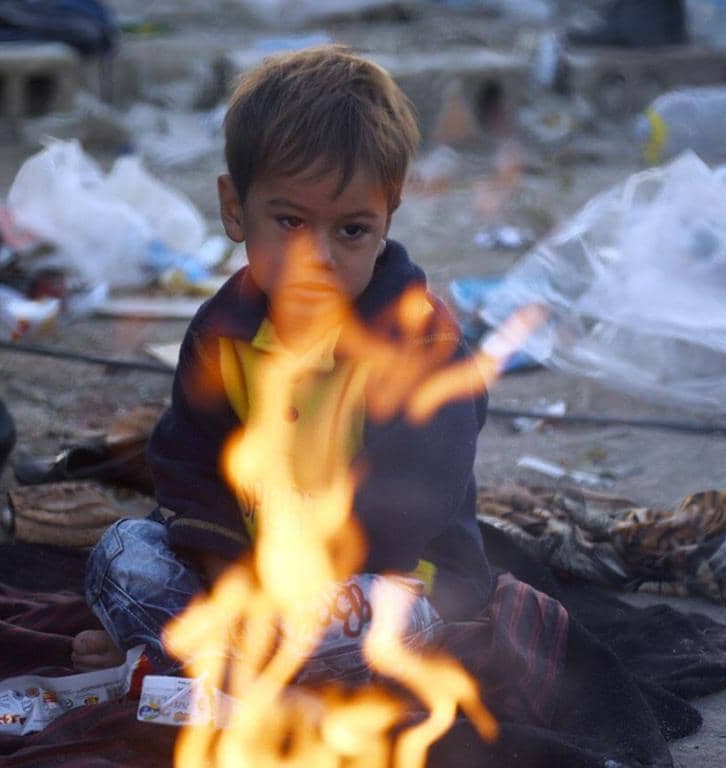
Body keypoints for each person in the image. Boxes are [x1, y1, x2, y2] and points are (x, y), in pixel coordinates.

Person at [72, 47, 566, 719]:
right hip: (246, 583)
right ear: (233, 209)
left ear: (387, 218)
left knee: (389, 622)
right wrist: (230, 589)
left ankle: (178, 665)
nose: (319, 258)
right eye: (290, 222)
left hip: (378, 586)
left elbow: (400, 515)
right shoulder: (222, 332)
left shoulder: (421, 346)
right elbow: (188, 470)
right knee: (123, 552)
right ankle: (217, 670)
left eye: (351, 230)